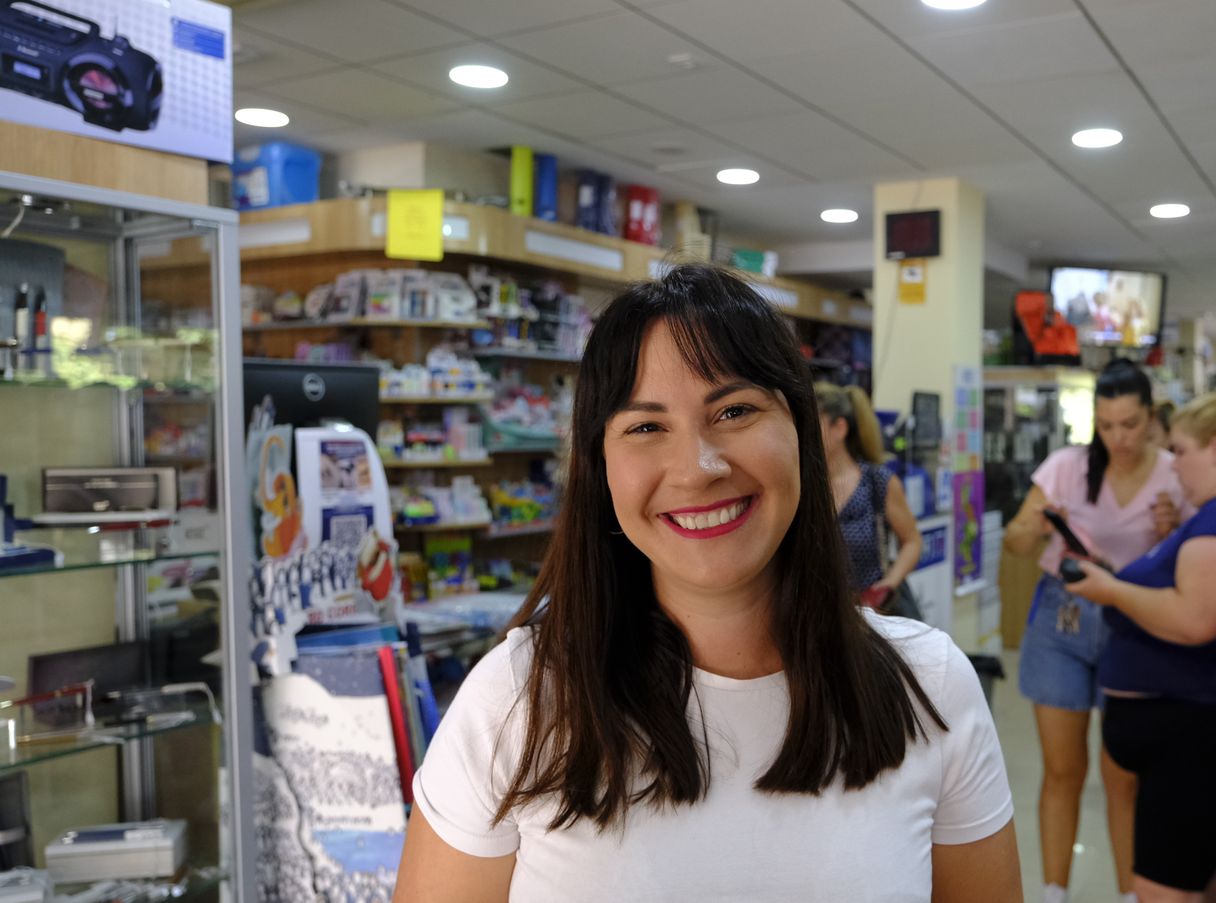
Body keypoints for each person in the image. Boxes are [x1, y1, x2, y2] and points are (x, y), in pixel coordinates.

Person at [394, 265, 1021, 902]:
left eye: (735, 410)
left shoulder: (932, 687)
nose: (698, 469)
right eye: (645, 426)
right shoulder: (516, 700)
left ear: (802, 433)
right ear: (600, 467)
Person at [1065, 375, 1216, 903]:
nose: (1173, 463)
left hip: (1197, 737)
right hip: (1196, 730)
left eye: (1180, 451)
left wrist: (1114, 591)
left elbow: (1196, 618)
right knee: (1215, 878)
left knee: (1165, 891)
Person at [1002, 358, 1183, 903]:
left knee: (1123, 776)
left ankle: (1130, 894)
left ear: (1151, 417)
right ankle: (1054, 891)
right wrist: (1033, 524)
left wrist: (1173, 533)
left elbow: (1196, 562)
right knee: (1063, 771)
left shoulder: (1174, 474)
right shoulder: (1066, 466)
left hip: (1135, 621)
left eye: (1130, 424)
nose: (1118, 438)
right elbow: (1015, 543)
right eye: (1106, 425)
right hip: (1064, 617)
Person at [815, 382, 924, 612]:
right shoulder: (804, 486)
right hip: (821, 615)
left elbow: (912, 541)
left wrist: (887, 586)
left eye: (814, 425)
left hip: (875, 616)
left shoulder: (878, 482)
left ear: (840, 428)